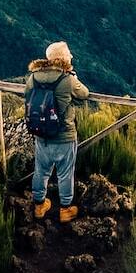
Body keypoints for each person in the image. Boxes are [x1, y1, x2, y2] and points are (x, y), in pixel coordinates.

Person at [26, 40, 90, 221]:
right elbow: (84, 94)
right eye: (69, 53)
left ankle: (39, 205)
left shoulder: (33, 77)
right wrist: (73, 78)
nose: (72, 56)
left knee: (41, 171)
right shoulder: (67, 79)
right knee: (65, 173)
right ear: (61, 58)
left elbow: (27, 96)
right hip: (64, 136)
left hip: (41, 133)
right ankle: (65, 209)